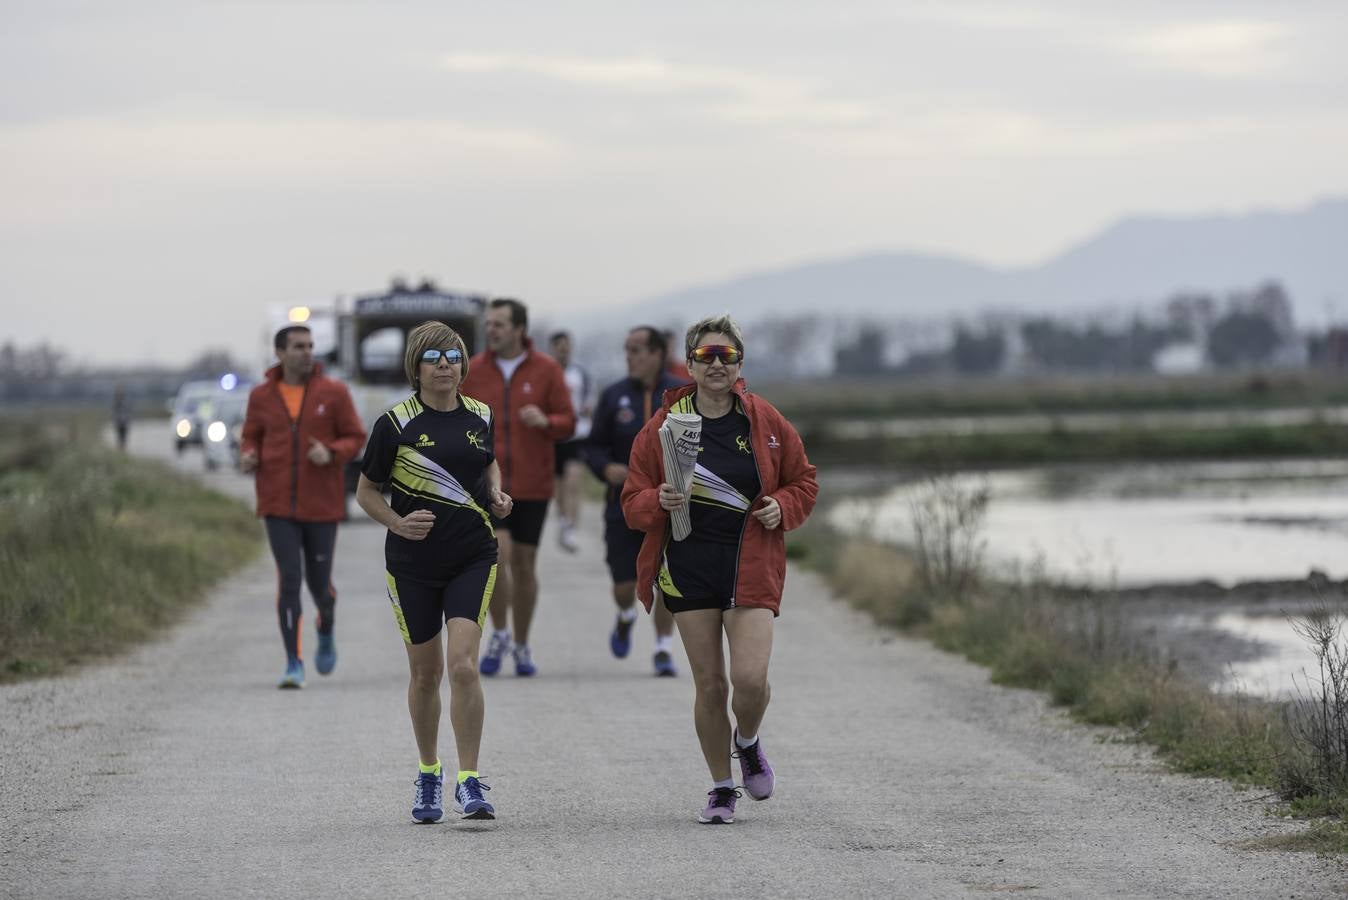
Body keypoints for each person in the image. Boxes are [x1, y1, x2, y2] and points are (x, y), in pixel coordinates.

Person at [622, 313, 817, 824]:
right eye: (705, 356)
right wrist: (656, 501)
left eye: (725, 356)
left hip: (751, 566)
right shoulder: (663, 429)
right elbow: (631, 502)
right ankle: (721, 787)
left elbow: (804, 481)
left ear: (739, 364)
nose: (716, 365)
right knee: (711, 686)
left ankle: (747, 740)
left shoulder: (765, 422)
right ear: (688, 364)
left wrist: (782, 506)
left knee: (749, 681)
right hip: (689, 566)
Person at [355, 320, 512, 823]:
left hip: (473, 555)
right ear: (415, 368)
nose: (444, 363)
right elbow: (366, 492)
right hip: (413, 565)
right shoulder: (395, 423)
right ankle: (428, 774)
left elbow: (488, 463)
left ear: (464, 365)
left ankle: (470, 781)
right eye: (433, 356)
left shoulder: (481, 414)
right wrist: (398, 523)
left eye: (452, 355)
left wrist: (497, 493)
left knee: (464, 665)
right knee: (427, 674)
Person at [240, 325, 366, 689]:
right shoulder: (261, 396)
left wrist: (332, 453)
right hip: (277, 503)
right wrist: (248, 454)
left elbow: (356, 437)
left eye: (310, 346)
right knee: (290, 579)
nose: (307, 352)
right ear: (280, 353)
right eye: (298, 346)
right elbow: (251, 436)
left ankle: (325, 624)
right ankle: (293, 663)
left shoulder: (334, 392)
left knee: (319, 585)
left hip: (322, 503)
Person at [461, 298, 576, 678]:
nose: (491, 330)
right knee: (497, 557)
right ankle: (501, 634)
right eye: (489, 324)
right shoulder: (474, 370)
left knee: (525, 565)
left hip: (533, 483)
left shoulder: (546, 370)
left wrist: (546, 420)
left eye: (499, 324)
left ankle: (522, 644)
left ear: (519, 329)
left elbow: (568, 422)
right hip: (488, 482)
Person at [584, 326, 687, 677]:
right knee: (625, 585)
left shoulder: (680, 393)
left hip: (670, 502)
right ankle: (626, 615)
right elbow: (592, 446)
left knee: (667, 578)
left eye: (637, 350)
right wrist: (605, 467)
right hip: (624, 504)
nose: (630, 356)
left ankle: (662, 647)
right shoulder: (614, 396)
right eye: (627, 349)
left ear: (657, 354)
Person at [547, 330, 593, 554]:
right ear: (553, 349)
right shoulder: (547, 373)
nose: (563, 349)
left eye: (566, 345)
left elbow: (588, 401)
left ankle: (572, 529)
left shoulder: (579, 373)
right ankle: (563, 520)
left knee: (573, 481)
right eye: (559, 346)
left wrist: (588, 411)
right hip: (554, 435)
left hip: (577, 434)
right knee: (558, 486)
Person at [112, 384, 132, 451]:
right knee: (119, 438)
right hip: (119, 423)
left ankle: (123, 450)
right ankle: (120, 450)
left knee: (124, 438)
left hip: (124, 423)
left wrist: (128, 420)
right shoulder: (116, 402)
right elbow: (114, 412)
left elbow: (128, 412)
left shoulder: (126, 401)